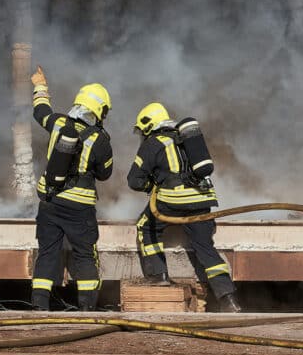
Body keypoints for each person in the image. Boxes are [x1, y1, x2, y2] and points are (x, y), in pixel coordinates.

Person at [127, 102, 241, 313]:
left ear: (147, 125)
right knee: (205, 247)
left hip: (173, 200)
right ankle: (229, 299)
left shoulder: (152, 143)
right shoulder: (185, 139)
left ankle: (158, 275)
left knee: (147, 226)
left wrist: (150, 186)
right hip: (203, 201)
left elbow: (134, 180)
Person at [29, 66, 113, 311]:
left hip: (50, 203)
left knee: (47, 253)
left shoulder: (57, 123)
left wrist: (40, 86)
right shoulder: (99, 139)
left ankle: (39, 307)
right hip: (80, 209)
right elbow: (105, 174)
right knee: (84, 255)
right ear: (99, 110)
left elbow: (40, 111)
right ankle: (87, 308)